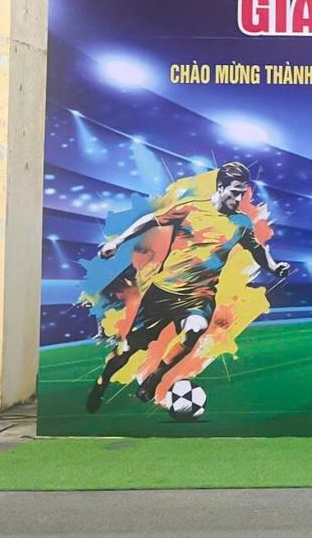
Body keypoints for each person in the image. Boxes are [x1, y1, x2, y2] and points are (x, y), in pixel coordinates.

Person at [86, 161, 291, 412]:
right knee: (126, 351)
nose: (239, 199)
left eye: (242, 193)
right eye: (234, 192)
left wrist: (274, 267)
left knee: (196, 328)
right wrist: (117, 242)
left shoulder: (241, 223)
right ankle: (102, 382)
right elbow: (151, 220)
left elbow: (257, 250)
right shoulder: (191, 208)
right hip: (162, 292)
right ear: (220, 186)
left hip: (199, 297)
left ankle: (155, 377)